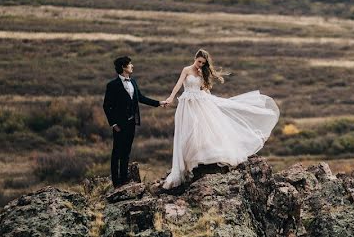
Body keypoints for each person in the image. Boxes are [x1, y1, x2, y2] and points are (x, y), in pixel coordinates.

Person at [160, 49, 279, 190]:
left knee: (202, 129)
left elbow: (204, 89)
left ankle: (200, 159)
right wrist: (171, 98)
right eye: (199, 62)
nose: (200, 65)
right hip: (187, 104)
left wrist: (212, 100)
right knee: (188, 131)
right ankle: (186, 164)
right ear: (195, 58)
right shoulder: (186, 70)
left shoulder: (201, 72)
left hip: (200, 103)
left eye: (203, 63)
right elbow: (178, 85)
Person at [102, 56, 165, 187]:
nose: (132, 66)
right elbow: (106, 106)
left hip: (131, 123)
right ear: (124, 67)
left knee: (126, 152)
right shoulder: (112, 85)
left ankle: (124, 180)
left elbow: (140, 98)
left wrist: (158, 103)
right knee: (116, 153)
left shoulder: (133, 82)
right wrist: (113, 124)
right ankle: (116, 182)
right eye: (130, 64)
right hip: (119, 125)